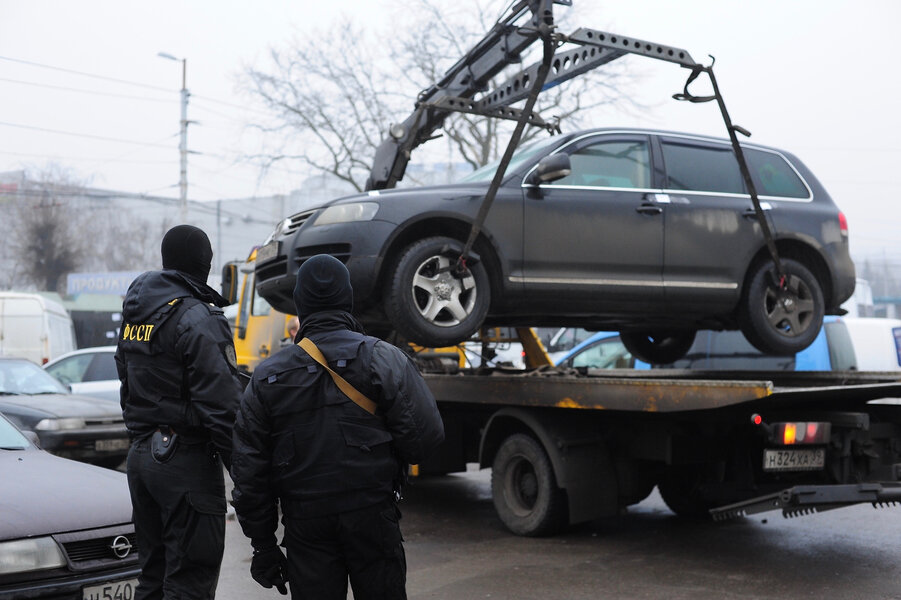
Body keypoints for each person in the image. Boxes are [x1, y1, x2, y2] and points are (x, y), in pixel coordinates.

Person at [231, 254, 445, 600]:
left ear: (300, 305)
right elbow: (425, 438)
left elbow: (249, 472)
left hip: (305, 524)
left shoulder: (267, 376)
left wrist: (263, 546)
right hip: (373, 516)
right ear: (347, 300)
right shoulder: (383, 358)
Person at [115, 224, 242, 600]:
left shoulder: (136, 315)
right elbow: (223, 409)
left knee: (153, 578)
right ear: (205, 264)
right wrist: (249, 478)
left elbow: (127, 384)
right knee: (189, 582)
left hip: (141, 458)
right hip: (185, 463)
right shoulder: (199, 318)